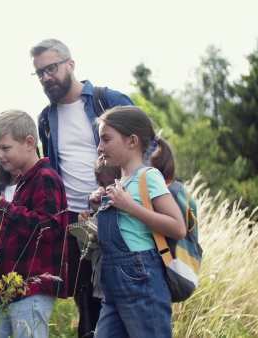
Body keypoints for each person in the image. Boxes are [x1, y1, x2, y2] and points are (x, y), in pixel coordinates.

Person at [29, 38, 136, 337]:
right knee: (85, 303)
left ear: (70, 65)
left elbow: (147, 147)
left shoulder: (108, 99)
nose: (45, 77)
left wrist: (127, 193)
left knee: (122, 297)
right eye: (39, 73)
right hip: (74, 221)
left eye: (51, 68)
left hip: (118, 210)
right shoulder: (45, 118)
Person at [89, 106, 185, 337]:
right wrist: (99, 209)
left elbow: (177, 227)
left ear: (132, 141)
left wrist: (129, 206)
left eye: (106, 139)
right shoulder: (119, 182)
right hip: (112, 283)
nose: (100, 147)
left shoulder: (148, 176)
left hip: (140, 277)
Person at [0, 109, 68, 338]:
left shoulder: (45, 177)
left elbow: (47, 227)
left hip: (32, 287)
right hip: (11, 287)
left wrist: (2, 207)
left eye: (5, 148)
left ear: (29, 143)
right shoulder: (23, 182)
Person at [71, 156, 121, 336]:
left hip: (115, 289)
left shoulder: (126, 209)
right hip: (96, 289)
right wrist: (92, 217)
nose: (103, 190)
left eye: (108, 185)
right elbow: (88, 252)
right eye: (100, 184)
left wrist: (99, 234)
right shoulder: (101, 209)